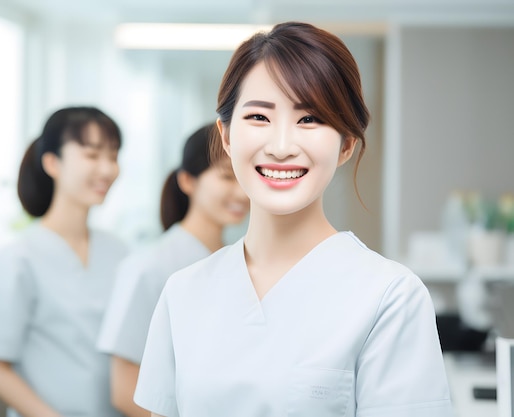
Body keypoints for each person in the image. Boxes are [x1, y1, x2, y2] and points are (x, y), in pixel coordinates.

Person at [133, 22, 454, 417]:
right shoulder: (183, 293)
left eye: (309, 119)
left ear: (346, 145)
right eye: (259, 118)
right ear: (227, 136)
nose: (282, 147)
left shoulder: (390, 297)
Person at [0, 106, 128, 417]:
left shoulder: (119, 252)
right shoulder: (19, 257)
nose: (108, 168)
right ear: (52, 162)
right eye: (92, 154)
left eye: (113, 155)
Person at [97, 123, 249, 417]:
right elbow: (124, 389)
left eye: (246, 177)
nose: (241, 193)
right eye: (227, 177)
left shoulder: (242, 262)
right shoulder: (148, 267)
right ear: (188, 181)